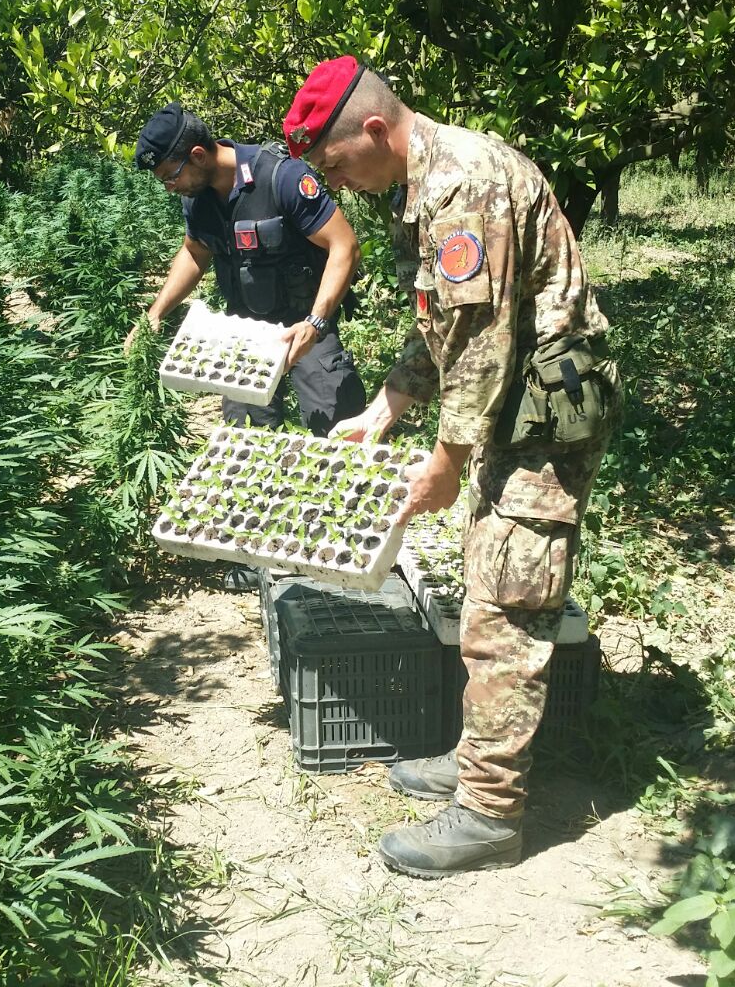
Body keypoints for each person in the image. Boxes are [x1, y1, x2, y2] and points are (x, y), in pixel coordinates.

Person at [282, 57, 621, 878]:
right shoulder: (421, 187)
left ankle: (491, 813)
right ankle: (478, 752)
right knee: (485, 579)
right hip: (508, 413)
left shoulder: (463, 184)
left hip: (540, 422)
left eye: (333, 166)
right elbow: (438, 323)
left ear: (372, 130)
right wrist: (388, 407)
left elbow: (482, 346)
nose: (338, 184)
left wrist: (444, 459)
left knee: (508, 611)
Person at [128, 102, 366, 437]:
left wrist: (315, 322)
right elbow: (194, 253)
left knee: (337, 430)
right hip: (247, 330)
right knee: (247, 436)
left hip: (306, 319)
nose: (169, 187)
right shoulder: (197, 198)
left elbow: (345, 246)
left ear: (198, 155)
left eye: (170, 176)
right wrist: (156, 312)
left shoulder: (279, 176)